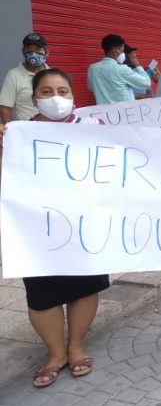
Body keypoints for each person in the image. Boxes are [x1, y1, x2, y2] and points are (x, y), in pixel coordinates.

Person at [0, 68, 109, 387]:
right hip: (34, 227)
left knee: (85, 285)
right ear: (34, 99)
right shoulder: (17, 133)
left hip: (82, 223)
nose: (55, 98)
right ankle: (55, 353)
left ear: (73, 97)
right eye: (47, 92)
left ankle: (76, 346)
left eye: (62, 91)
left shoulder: (92, 128)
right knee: (41, 292)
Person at [87, 34, 151, 105]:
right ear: (115, 51)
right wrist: (138, 65)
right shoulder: (122, 69)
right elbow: (146, 83)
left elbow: (92, 88)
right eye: (122, 50)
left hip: (104, 114)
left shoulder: (92, 68)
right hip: (123, 113)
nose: (123, 53)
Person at [1, 33, 50, 124]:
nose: (33, 53)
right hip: (26, 132)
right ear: (23, 51)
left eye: (37, 49)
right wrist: (9, 133)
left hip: (49, 128)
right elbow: (5, 108)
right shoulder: (13, 75)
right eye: (29, 49)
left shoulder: (52, 74)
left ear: (46, 52)